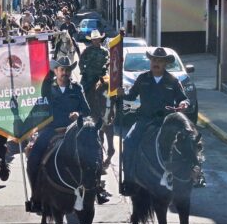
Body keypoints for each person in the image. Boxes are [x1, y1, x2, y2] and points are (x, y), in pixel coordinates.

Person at [117, 47, 190, 195]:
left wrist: (184, 104)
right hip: (145, 120)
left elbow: (184, 98)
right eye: (154, 60)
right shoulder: (143, 78)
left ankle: (193, 176)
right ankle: (129, 180)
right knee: (128, 143)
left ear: (165, 64)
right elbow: (131, 96)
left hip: (166, 121)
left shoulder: (172, 80)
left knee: (189, 142)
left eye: (160, 61)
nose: (156, 63)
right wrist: (120, 93)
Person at [26, 56, 91, 213]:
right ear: (55, 71)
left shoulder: (77, 88)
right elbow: (40, 104)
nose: (65, 73)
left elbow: (87, 111)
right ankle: (36, 197)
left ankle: (94, 191)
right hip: (51, 130)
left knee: (92, 155)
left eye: (68, 70)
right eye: (61, 69)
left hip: (74, 130)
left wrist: (79, 115)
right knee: (33, 160)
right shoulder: (48, 87)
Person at [79, 29, 109, 107]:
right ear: (92, 40)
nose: (96, 41)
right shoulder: (87, 50)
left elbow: (108, 60)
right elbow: (81, 61)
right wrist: (83, 71)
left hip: (101, 75)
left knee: (110, 91)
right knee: (80, 91)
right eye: (94, 40)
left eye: (97, 39)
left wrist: (105, 66)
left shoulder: (105, 51)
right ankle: (82, 110)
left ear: (100, 39)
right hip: (89, 75)